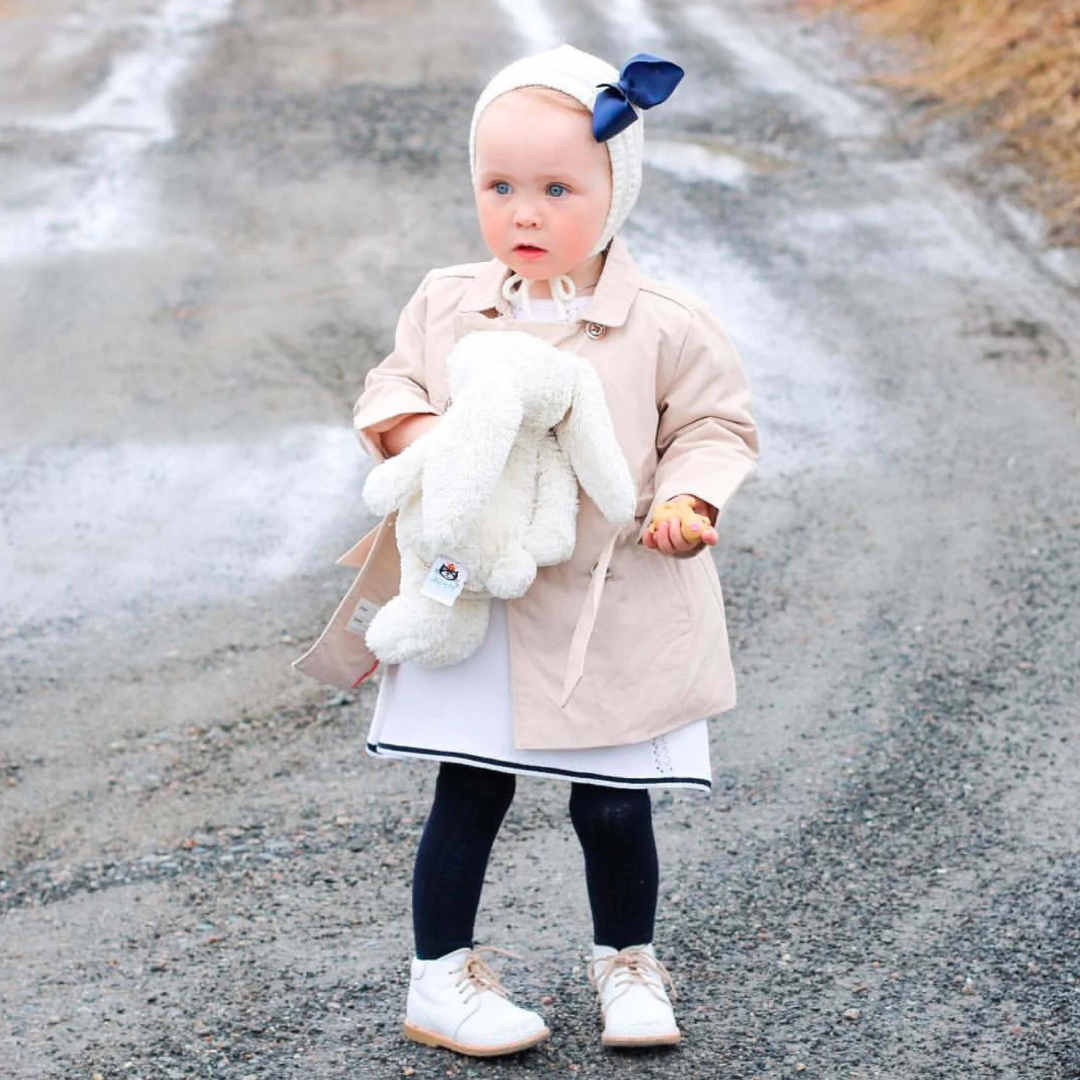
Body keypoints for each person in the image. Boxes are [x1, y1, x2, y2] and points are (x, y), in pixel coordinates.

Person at [349, 44, 758, 1057]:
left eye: (556, 189)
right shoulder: (450, 302)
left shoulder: (665, 323)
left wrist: (688, 496)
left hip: (609, 600)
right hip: (480, 590)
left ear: (617, 192)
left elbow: (715, 426)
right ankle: (440, 977)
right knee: (470, 784)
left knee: (615, 806)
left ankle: (626, 961)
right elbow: (390, 386)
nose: (523, 213)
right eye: (500, 187)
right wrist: (421, 441)